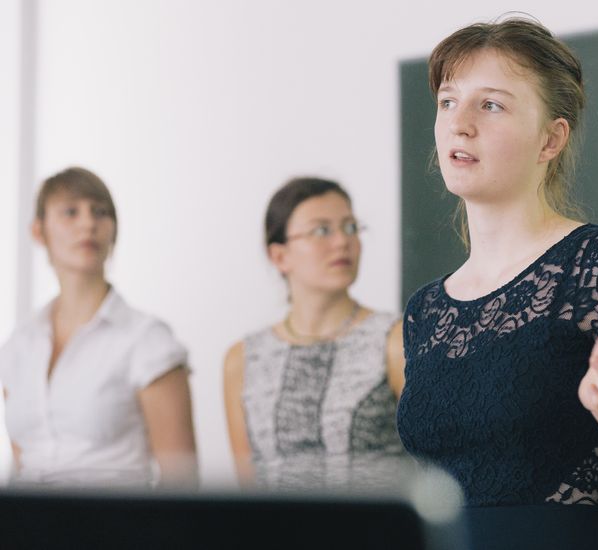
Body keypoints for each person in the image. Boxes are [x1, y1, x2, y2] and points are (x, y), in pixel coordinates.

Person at [396, 17, 598, 550]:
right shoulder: (426, 310)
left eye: (492, 104)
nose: (460, 123)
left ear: (551, 138)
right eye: (449, 101)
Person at [0, 166, 198, 488]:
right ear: (39, 231)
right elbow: (24, 463)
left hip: (114, 530)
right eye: (70, 212)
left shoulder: (148, 340)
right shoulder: (17, 346)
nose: (88, 223)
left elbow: (182, 482)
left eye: (100, 212)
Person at [223, 177, 407, 489]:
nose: (341, 242)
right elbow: (248, 490)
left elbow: (432, 465)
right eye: (322, 230)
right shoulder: (243, 359)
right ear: (279, 256)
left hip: (377, 534)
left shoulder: (395, 339)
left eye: (350, 227)